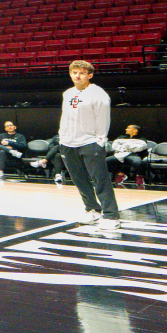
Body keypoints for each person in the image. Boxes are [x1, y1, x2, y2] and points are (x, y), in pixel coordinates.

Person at [58, 60, 119, 229]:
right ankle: (92, 210)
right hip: (68, 143)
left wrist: (100, 141)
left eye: (82, 73)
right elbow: (66, 117)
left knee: (100, 179)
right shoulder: (68, 93)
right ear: (70, 74)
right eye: (74, 72)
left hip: (90, 142)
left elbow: (103, 119)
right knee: (79, 180)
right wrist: (62, 136)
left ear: (90, 75)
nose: (77, 76)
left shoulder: (98, 94)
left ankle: (111, 216)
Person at [107, 124, 151, 189]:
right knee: (105, 161)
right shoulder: (121, 137)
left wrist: (127, 146)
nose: (126, 129)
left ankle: (139, 176)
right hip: (120, 154)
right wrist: (126, 147)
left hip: (133, 155)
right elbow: (115, 146)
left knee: (137, 162)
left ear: (135, 131)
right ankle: (120, 174)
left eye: (129, 128)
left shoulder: (141, 139)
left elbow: (139, 148)